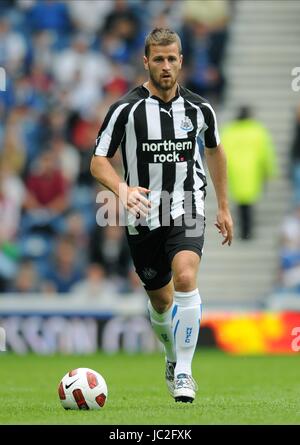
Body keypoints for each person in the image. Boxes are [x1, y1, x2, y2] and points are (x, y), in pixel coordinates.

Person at [90, 28, 233, 403]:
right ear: (146, 62)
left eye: (172, 59)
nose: (166, 66)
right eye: (159, 59)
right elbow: (97, 161)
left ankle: (184, 373)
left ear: (181, 61)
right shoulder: (125, 109)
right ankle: (171, 357)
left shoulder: (200, 109)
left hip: (188, 204)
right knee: (160, 301)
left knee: (186, 275)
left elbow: (216, 151)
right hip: (143, 216)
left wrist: (222, 206)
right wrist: (122, 190)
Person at [221, 106, 277, 240]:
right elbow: (266, 152)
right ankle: (248, 231)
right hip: (253, 171)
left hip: (235, 171)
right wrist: (269, 170)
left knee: (240, 202)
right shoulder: (257, 130)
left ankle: (242, 230)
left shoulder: (229, 130)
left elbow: (221, 153)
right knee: (249, 202)